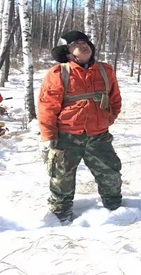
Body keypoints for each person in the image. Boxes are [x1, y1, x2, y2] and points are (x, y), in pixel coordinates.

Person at [38, 31, 122, 224]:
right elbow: (47, 107)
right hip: (66, 136)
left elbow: (115, 100)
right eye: (76, 44)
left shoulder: (105, 70)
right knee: (61, 178)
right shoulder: (58, 73)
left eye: (85, 42)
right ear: (68, 53)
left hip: (99, 136)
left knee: (111, 173)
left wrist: (106, 119)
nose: (83, 46)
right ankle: (60, 216)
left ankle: (116, 212)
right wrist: (49, 135)